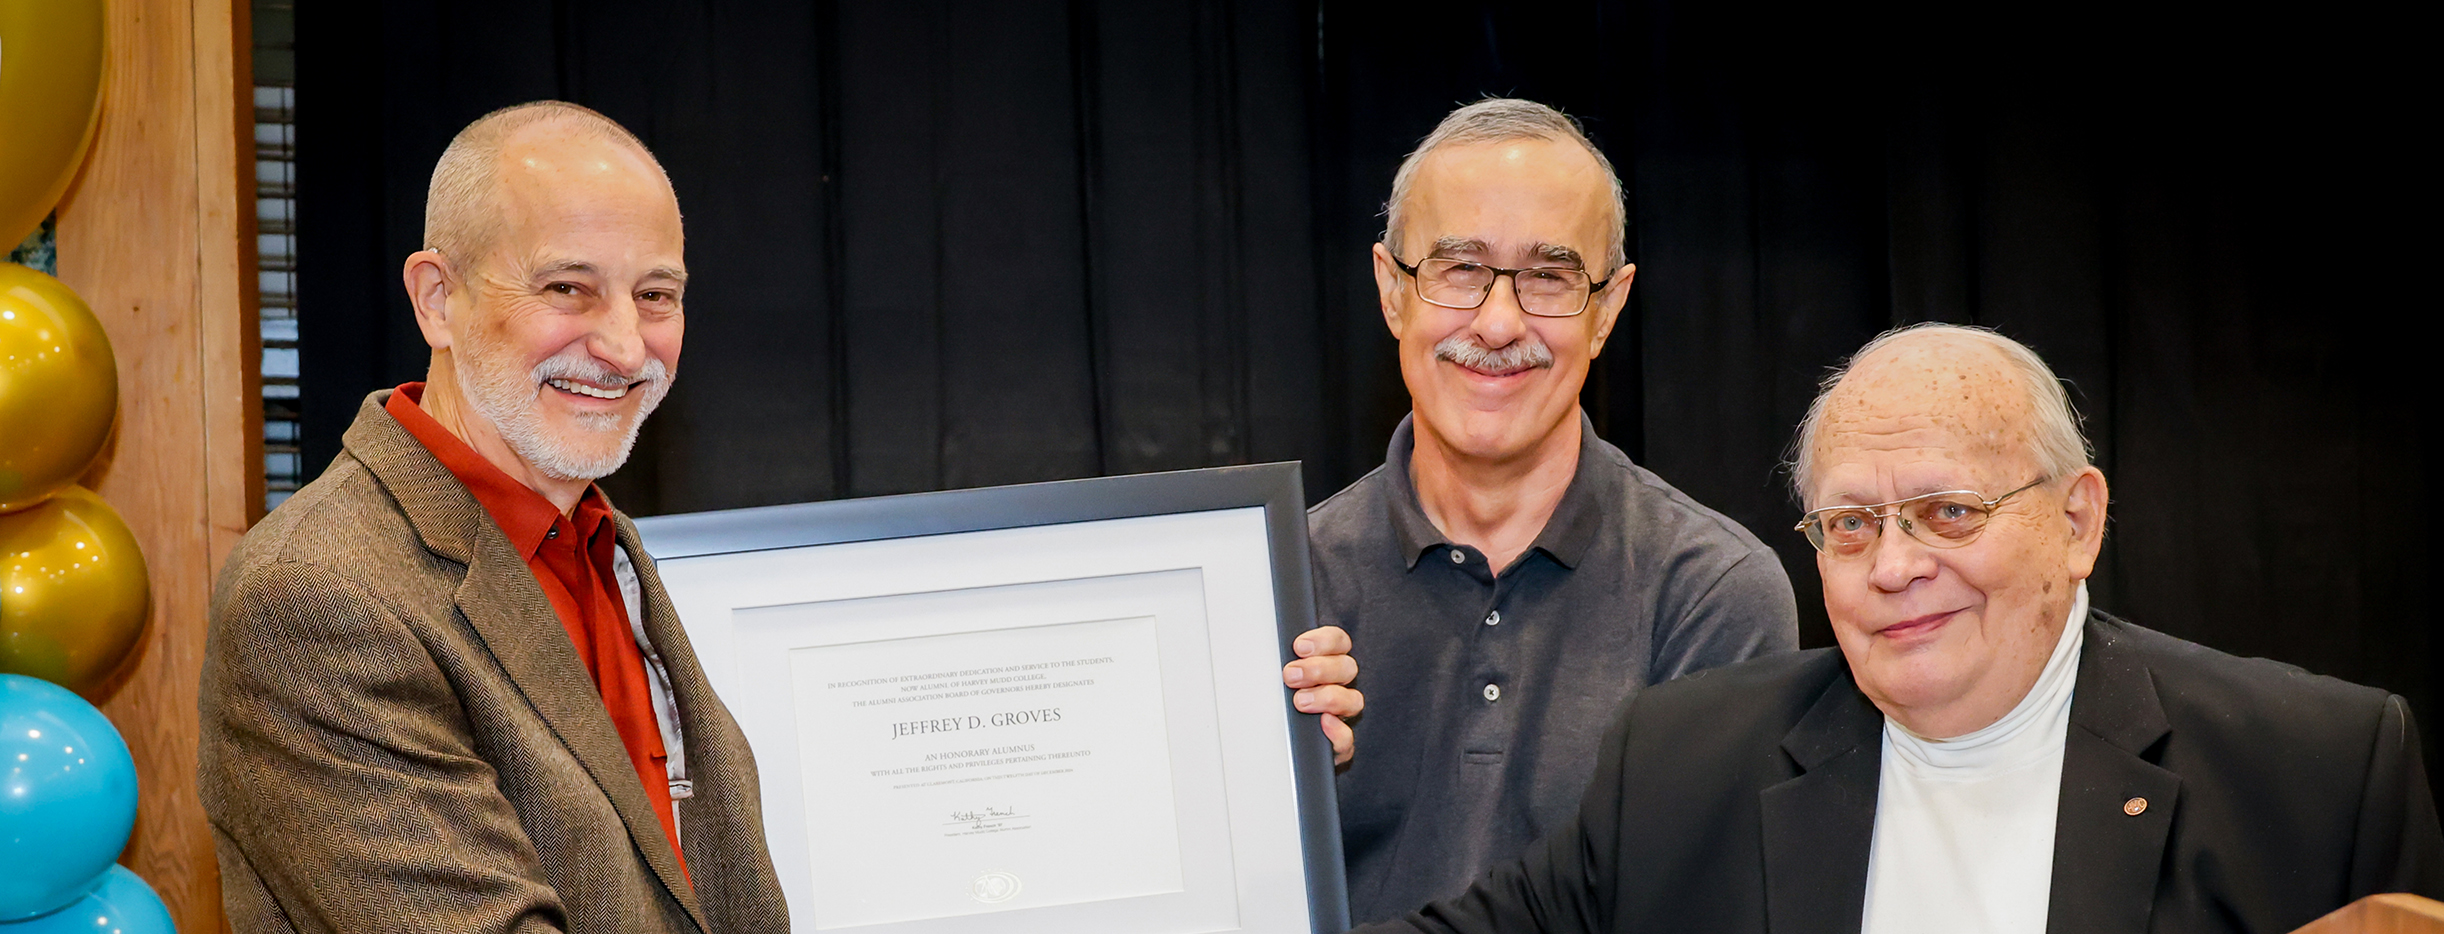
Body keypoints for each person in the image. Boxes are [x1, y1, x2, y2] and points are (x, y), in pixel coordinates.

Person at [199, 101, 1361, 933]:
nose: (623, 343)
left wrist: (1241, 739)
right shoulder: (322, 597)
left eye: (656, 294)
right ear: (437, 297)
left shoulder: (606, 546)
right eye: (567, 287)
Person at [1356, 323, 2444, 934]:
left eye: (1948, 513)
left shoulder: (2318, 774)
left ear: (2076, 523)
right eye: (1849, 524)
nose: (1893, 567)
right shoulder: (1685, 764)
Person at [1309, 98, 1798, 922]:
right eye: (1460, 268)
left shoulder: (1712, 595)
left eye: (1549, 277)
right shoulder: (1285, 590)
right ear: (1393, 292)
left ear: (1607, 309)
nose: (1500, 323)